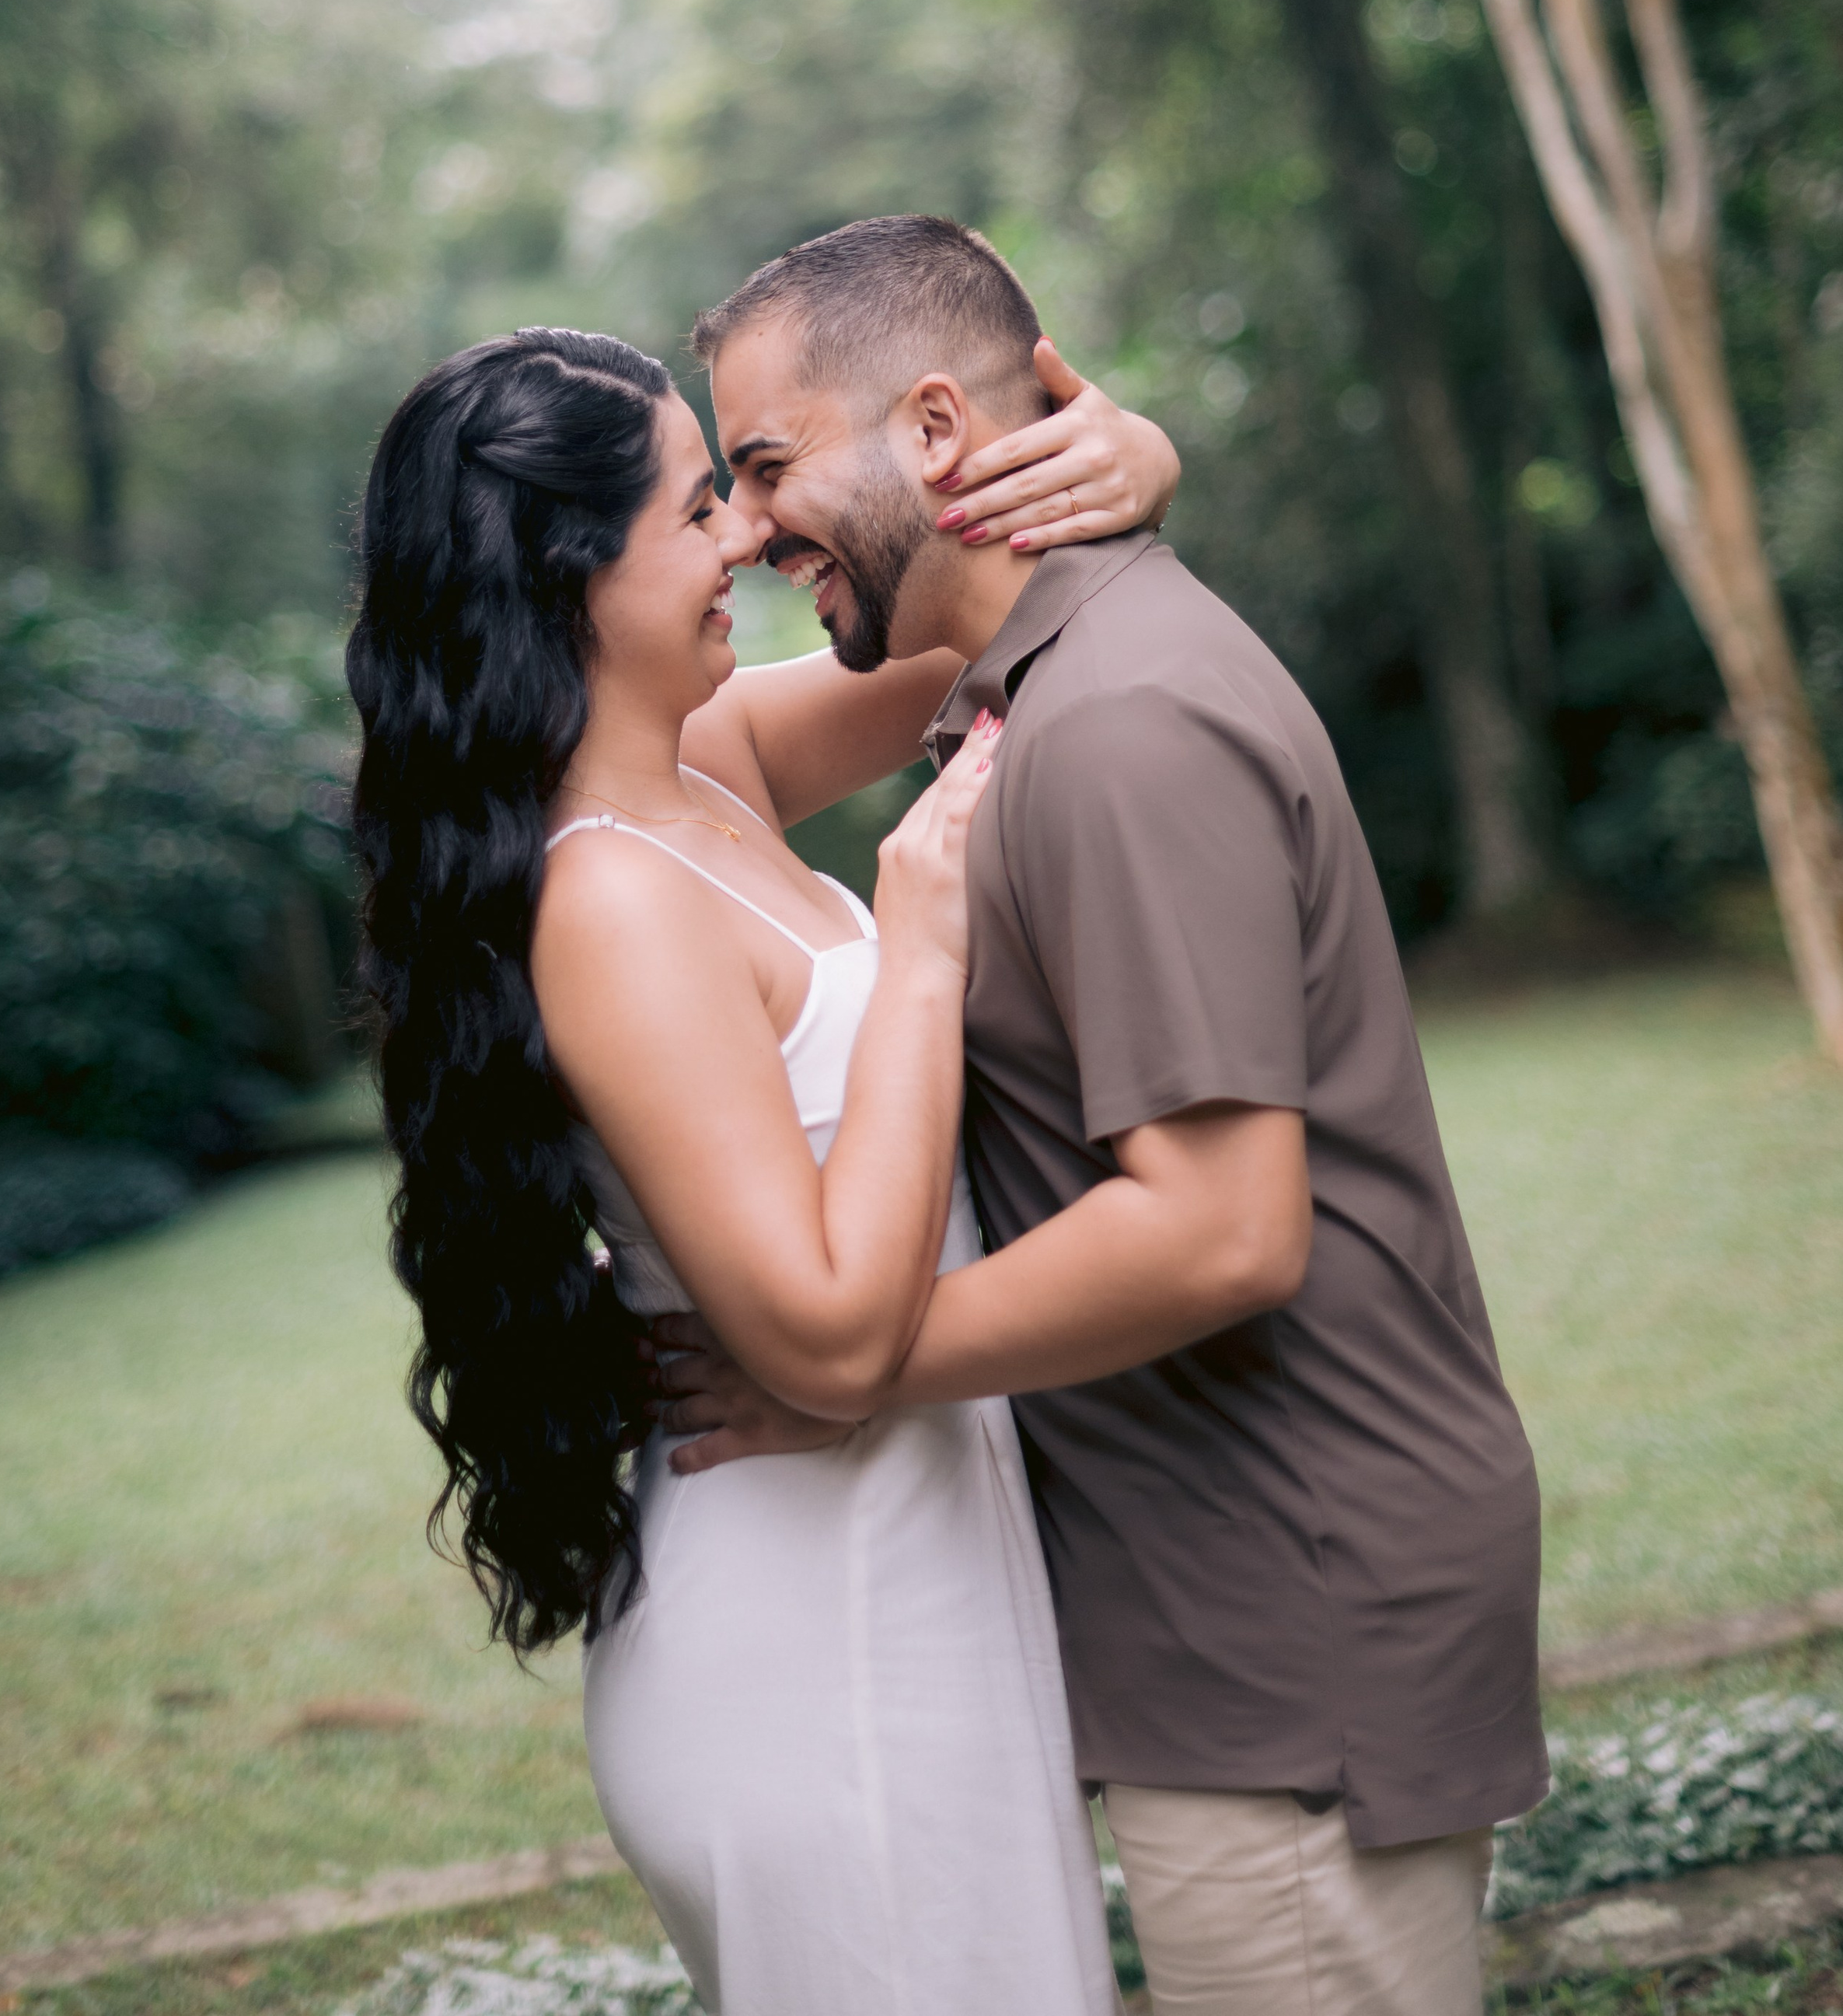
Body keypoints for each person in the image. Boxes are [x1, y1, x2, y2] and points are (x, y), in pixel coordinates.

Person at [654, 214, 1551, 2016]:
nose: (744, 531)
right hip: (1220, 1598)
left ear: (929, 433)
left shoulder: (1116, 724)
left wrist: (841, 1365)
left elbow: (1221, 1225)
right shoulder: (1041, 684)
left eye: (759, 468)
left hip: (1282, 1606)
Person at [345, 321, 1180, 2016]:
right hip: (818, 1644)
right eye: (693, 508)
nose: (746, 535)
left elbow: (973, 617)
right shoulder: (608, 899)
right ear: (565, 572)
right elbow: (822, 1336)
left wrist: (1133, 464)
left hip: (906, 1562)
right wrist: (924, 945)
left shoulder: (693, 780)